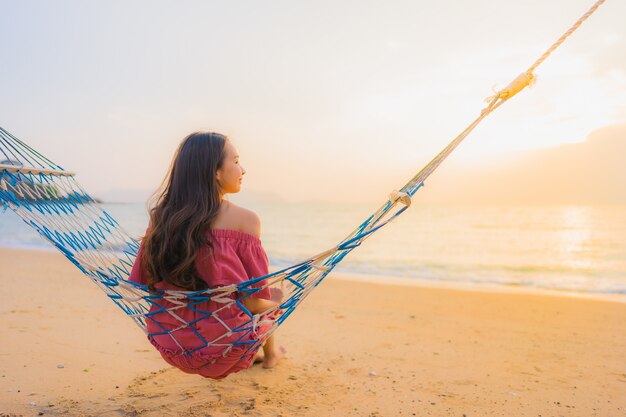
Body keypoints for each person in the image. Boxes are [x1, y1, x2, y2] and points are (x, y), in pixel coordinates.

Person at [128, 131, 285, 379]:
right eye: (235, 161)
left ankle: (266, 353)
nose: (242, 169)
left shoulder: (161, 218)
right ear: (215, 172)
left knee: (244, 303)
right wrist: (280, 305)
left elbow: (149, 284)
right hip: (226, 346)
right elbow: (254, 302)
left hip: (170, 340)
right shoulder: (246, 220)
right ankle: (271, 354)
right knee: (273, 294)